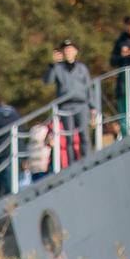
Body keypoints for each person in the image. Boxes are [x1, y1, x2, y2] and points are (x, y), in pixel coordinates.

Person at [48, 39, 92, 167]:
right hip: (65, 106)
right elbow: (48, 80)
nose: (67, 52)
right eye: (65, 49)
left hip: (81, 104)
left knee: (84, 135)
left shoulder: (82, 68)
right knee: (69, 139)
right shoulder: (58, 68)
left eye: (69, 49)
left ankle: (88, 160)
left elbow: (88, 87)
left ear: (75, 51)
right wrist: (52, 64)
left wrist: (92, 106)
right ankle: (72, 164)